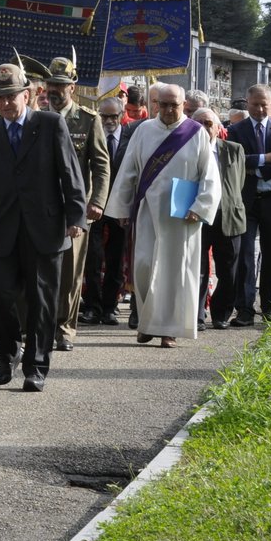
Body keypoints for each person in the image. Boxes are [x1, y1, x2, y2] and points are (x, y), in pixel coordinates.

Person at [0, 62, 86, 392]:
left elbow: (70, 175)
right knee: (1, 294)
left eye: (11, 97)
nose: (5, 104)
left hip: (44, 229)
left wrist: (76, 217)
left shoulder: (50, 124)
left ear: (28, 94)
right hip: (2, 230)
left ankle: (36, 365)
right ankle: (6, 355)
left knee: (40, 300)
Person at [103, 84, 221, 347]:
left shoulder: (196, 133)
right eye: (163, 104)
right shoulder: (144, 130)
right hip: (147, 212)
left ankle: (170, 330)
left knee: (176, 273)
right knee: (144, 268)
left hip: (182, 217)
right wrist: (123, 209)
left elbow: (210, 176)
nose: (168, 110)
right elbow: (128, 171)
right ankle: (147, 324)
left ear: (183, 105)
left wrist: (200, 207)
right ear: (156, 105)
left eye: (174, 105)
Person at [43, 54, 110, 351]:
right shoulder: (37, 117)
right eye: (50, 84)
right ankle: (41, 323)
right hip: (42, 206)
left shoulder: (88, 119)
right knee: (43, 269)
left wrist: (96, 201)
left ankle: (65, 328)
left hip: (75, 208)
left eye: (60, 85)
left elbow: (100, 164)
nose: (54, 90)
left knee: (71, 272)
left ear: (73, 86)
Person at [225, 84, 271, 325]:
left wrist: (254, 168)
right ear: (247, 104)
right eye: (255, 104)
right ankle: (245, 310)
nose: (259, 109)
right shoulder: (236, 130)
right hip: (246, 202)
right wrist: (265, 159)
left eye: (264, 105)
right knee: (244, 256)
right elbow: (234, 160)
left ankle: (270, 307)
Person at [194, 108, 247, 330]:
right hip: (197, 217)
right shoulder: (188, 152)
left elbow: (239, 182)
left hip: (228, 216)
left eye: (208, 123)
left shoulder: (234, 150)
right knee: (198, 268)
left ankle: (221, 313)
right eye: (198, 124)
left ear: (218, 127)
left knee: (229, 269)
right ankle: (196, 314)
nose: (204, 128)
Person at [79, 96, 128, 327]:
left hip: (120, 205)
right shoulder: (92, 131)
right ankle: (92, 306)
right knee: (93, 256)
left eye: (113, 116)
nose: (109, 120)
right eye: (104, 116)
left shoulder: (130, 137)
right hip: (94, 203)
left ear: (121, 115)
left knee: (116, 258)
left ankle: (110, 306)